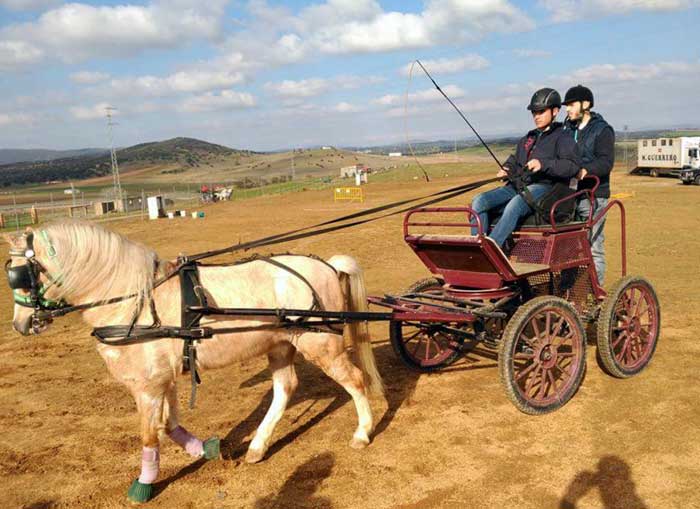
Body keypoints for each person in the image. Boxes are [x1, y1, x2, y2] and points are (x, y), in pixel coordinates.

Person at [471, 88, 581, 248]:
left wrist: (543, 164)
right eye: (534, 113)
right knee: (479, 201)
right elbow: (515, 160)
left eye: (541, 112)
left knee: (515, 204)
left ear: (555, 111)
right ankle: (477, 248)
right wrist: (506, 169)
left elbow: (571, 166)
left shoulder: (564, 137)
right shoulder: (528, 138)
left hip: (546, 188)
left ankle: (491, 250)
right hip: (518, 185)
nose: (536, 116)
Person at [562, 85, 615, 286]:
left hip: (594, 195)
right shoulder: (568, 129)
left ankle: (596, 295)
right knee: (566, 247)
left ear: (586, 105)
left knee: (593, 246)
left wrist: (585, 170)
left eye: (571, 105)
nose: (567, 109)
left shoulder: (602, 130)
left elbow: (606, 162)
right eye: (566, 106)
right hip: (571, 195)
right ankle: (569, 291)